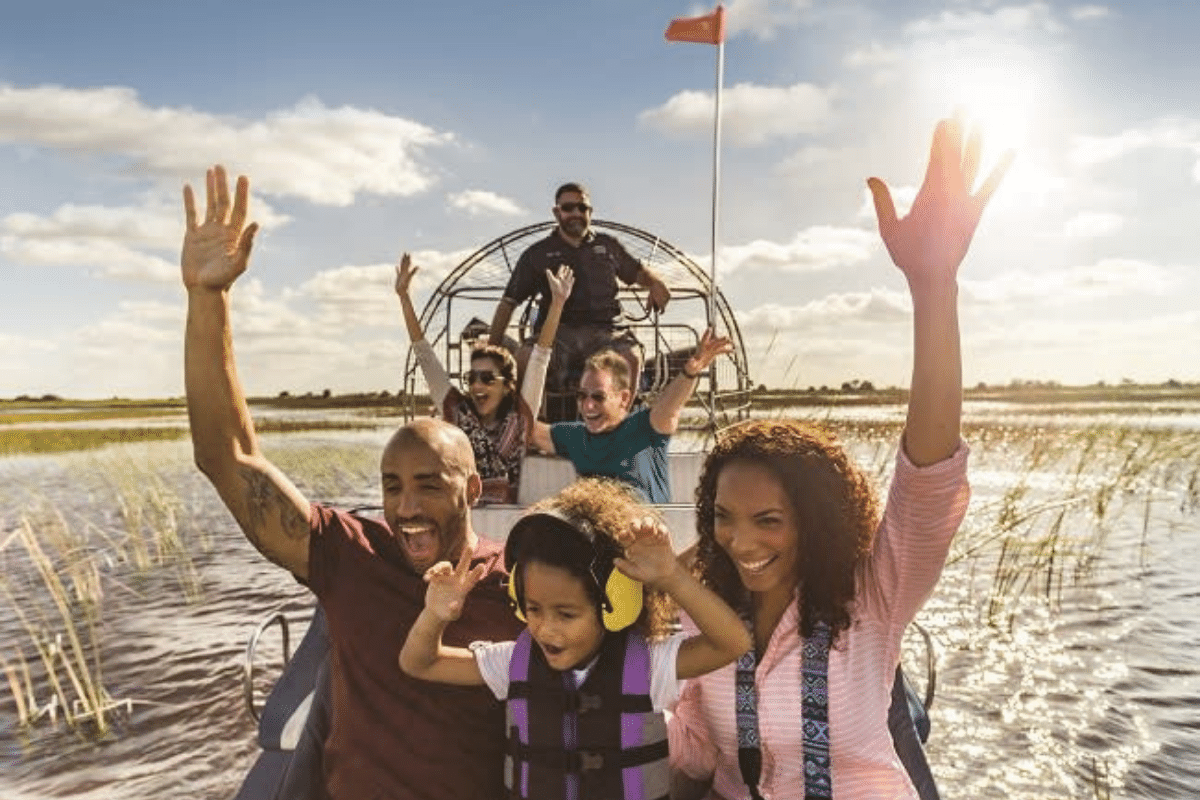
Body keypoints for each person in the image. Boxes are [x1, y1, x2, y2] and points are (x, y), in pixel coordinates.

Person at [668, 116, 1013, 800]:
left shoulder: (872, 595)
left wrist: (933, 285)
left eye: (768, 519)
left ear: (814, 520)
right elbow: (703, 755)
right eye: (723, 517)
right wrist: (624, 693)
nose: (740, 540)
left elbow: (927, 481)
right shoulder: (696, 610)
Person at [180, 165, 524, 800]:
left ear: (472, 491)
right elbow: (228, 458)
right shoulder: (350, 552)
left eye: (428, 484)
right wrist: (208, 299)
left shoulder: (517, 584)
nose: (405, 506)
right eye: (391, 486)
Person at [399, 478, 751, 800]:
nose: (545, 628)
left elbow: (732, 643)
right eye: (533, 609)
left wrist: (672, 577)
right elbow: (419, 662)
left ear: (616, 605)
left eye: (566, 614)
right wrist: (435, 614)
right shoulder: (513, 662)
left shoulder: (647, 666)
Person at [396, 252, 574, 503]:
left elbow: (540, 357)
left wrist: (557, 304)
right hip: (465, 518)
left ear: (506, 385)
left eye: (488, 378)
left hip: (507, 521)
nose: (477, 385)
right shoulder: (458, 412)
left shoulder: (521, 416)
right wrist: (404, 298)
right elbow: (425, 356)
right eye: (472, 378)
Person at [486, 182, 672, 412]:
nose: (576, 213)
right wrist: (490, 352)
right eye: (568, 208)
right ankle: (528, 430)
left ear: (590, 212)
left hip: (607, 332)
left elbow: (637, 272)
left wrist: (655, 283)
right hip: (557, 335)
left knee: (631, 358)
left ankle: (618, 430)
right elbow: (508, 302)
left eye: (582, 208)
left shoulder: (608, 246)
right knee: (525, 356)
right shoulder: (537, 254)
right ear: (557, 212)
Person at [529, 329, 732, 504]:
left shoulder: (646, 428)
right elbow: (526, 429)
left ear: (624, 398)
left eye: (598, 397)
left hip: (649, 536)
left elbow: (671, 405)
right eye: (582, 396)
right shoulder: (573, 436)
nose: (588, 406)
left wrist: (691, 370)